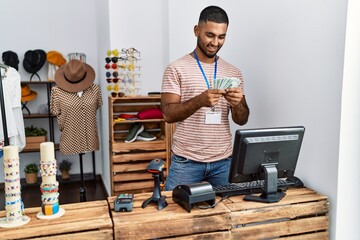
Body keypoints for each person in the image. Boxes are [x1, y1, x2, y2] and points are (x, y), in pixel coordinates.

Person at [161, 5, 250, 190]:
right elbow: (168, 114)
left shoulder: (233, 72)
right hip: (186, 162)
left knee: (227, 215)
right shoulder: (176, 68)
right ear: (196, 31)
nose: (215, 42)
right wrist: (200, 101)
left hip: (224, 162)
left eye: (221, 36)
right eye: (210, 35)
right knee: (175, 213)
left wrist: (238, 103)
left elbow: (241, 120)